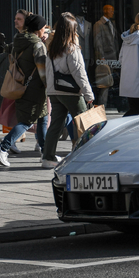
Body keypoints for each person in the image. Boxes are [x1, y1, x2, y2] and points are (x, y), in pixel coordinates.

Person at [0, 14, 49, 167]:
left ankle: (46, 153)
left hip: (22, 85)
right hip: (35, 88)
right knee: (26, 121)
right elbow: (43, 72)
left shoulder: (19, 41)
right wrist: (49, 86)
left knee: (43, 118)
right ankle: (2, 148)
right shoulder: (37, 45)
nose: (45, 29)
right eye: (43, 27)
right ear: (38, 29)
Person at [42, 12, 94, 168]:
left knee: (55, 125)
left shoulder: (51, 47)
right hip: (70, 92)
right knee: (85, 123)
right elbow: (79, 73)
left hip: (54, 91)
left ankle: (48, 157)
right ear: (71, 29)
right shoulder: (71, 48)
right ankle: (84, 155)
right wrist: (88, 93)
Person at [93, 4, 119, 106]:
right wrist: (101, 57)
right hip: (105, 58)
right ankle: (102, 105)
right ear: (105, 11)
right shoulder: (99, 24)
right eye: (110, 10)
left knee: (112, 82)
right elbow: (97, 42)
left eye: (113, 10)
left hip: (113, 57)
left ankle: (110, 103)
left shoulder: (112, 23)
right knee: (105, 83)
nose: (112, 12)